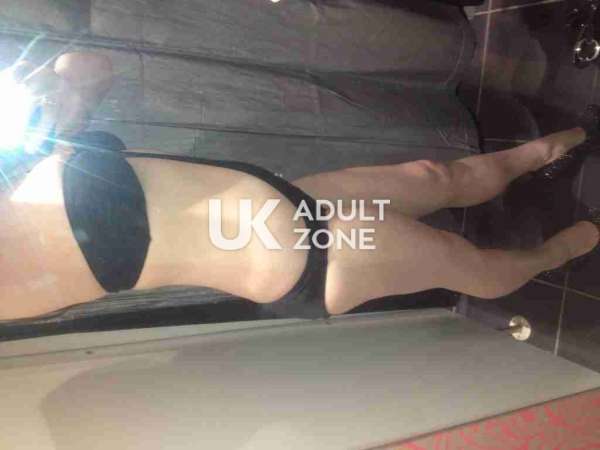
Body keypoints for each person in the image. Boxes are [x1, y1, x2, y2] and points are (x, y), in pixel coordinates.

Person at [1, 52, 599, 321]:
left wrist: (51, 88)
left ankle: (564, 142)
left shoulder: (15, 158)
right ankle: (564, 248)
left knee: (437, 177)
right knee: (468, 264)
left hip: (291, 204)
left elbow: (90, 69)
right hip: (313, 259)